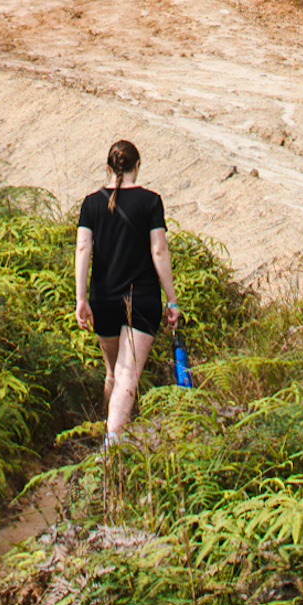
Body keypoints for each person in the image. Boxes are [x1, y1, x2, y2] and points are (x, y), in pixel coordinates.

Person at [75, 139, 180, 443]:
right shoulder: (151, 202)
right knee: (128, 376)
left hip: (103, 300)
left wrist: (81, 299)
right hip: (142, 299)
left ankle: (107, 436)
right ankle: (112, 448)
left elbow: (82, 249)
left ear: (107, 168)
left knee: (113, 373)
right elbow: (159, 251)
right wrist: (172, 300)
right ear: (138, 166)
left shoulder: (91, 203)